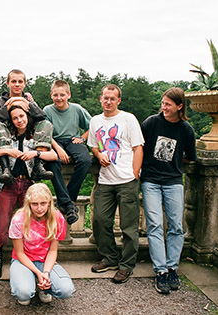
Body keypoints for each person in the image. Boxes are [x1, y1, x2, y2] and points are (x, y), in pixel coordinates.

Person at [0, 105, 58, 280]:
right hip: (7, 184)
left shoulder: (34, 138)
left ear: (27, 116)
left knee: (31, 221)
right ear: (11, 120)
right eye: (15, 118)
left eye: (22, 116)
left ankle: (32, 260)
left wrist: (36, 154)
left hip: (28, 183)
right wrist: (6, 150)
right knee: (2, 221)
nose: (19, 120)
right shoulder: (4, 136)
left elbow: (53, 156)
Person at [141, 87, 197, 294]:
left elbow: (190, 156)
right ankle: (161, 271)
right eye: (163, 103)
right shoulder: (151, 123)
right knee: (154, 224)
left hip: (174, 181)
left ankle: (172, 267)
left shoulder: (186, 129)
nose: (163, 107)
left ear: (179, 106)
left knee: (176, 225)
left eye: (168, 104)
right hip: (151, 180)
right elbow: (139, 147)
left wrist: (174, 163)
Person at [87, 84, 144, 284]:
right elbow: (94, 145)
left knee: (129, 227)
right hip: (105, 180)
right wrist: (99, 154)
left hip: (126, 180)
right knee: (100, 221)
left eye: (113, 98)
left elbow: (138, 148)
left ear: (118, 101)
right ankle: (110, 258)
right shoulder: (95, 121)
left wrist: (134, 174)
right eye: (105, 98)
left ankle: (126, 265)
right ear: (101, 99)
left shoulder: (128, 119)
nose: (108, 101)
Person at [8, 183, 74, 305]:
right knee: (23, 293)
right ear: (29, 204)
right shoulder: (19, 219)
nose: (39, 208)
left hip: (45, 260)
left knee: (66, 290)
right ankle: (29, 284)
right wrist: (39, 273)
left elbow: (53, 251)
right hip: (23, 259)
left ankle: (45, 287)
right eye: (35, 204)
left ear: (49, 203)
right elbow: (20, 253)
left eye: (43, 203)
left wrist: (46, 273)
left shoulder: (57, 218)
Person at [0, 69, 53, 183]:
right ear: (8, 83)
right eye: (13, 81)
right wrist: (8, 105)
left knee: (46, 124)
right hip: (6, 138)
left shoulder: (28, 99)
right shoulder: (0, 101)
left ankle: (39, 165)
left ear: (24, 83)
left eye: (20, 81)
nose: (17, 84)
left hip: (26, 135)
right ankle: (6, 169)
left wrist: (24, 102)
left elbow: (42, 117)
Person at [44, 80, 92, 225]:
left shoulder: (77, 109)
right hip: (54, 141)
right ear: (51, 95)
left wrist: (82, 138)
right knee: (53, 162)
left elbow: (93, 126)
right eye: (56, 95)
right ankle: (69, 205)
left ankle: (67, 200)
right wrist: (58, 149)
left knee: (85, 160)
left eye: (62, 95)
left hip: (72, 140)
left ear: (68, 95)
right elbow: (45, 134)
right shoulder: (47, 110)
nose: (59, 98)